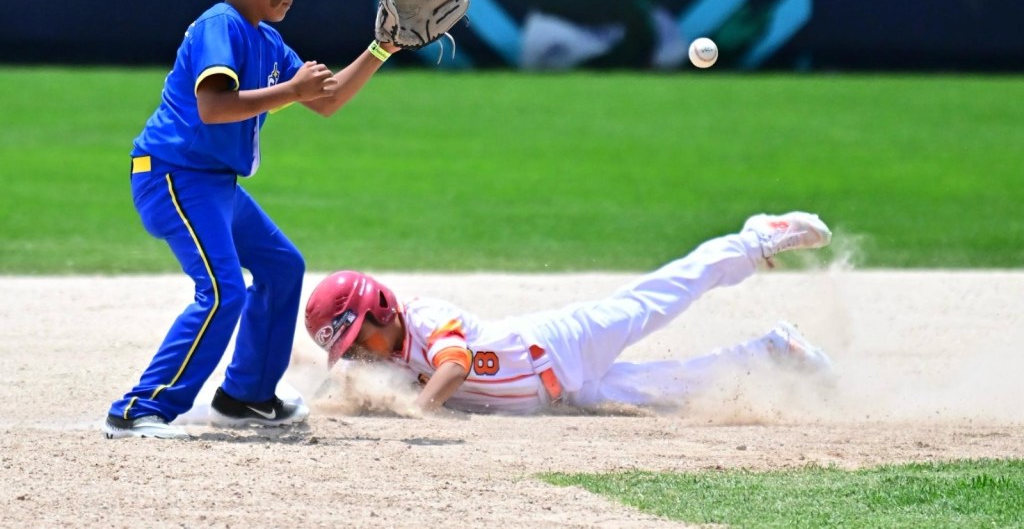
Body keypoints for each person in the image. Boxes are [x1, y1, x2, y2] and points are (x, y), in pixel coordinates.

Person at [104, 0, 404, 439]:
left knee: (282, 266)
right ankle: (138, 408)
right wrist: (292, 90)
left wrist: (383, 47)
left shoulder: (267, 40)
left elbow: (326, 99)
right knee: (223, 293)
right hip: (173, 174)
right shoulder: (219, 25)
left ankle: (246, 396)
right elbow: (213, 107)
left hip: (213, 183)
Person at [303, 211, 836, 415]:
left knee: (661, 297)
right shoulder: (388, 357)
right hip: (566, 394)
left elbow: (456, 365)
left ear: (380, 310)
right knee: (675, 388)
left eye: (356, 341)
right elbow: (344, 389)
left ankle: (756, 238)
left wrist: (418, 410)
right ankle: (774, 351)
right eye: (347, 350)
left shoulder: (423, 317)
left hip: (566, 343)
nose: (357, 354)